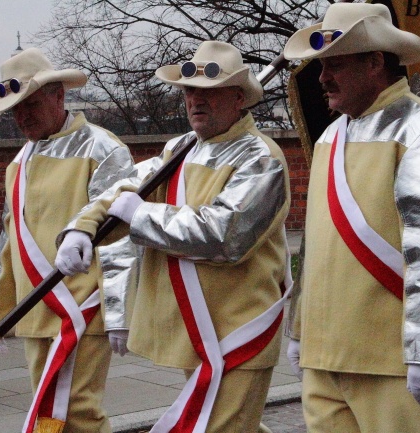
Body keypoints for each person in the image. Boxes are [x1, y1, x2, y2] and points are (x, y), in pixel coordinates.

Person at [55, 40, 292, 433]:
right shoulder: (180, 148)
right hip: (194, 324)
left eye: (208, 92)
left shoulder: (261, 157)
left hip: (238, 326)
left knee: (219, 425)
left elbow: (224, 234)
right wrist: (82, 226)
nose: (195, 100)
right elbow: (123, 188)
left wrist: (143, 215)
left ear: (238, 97)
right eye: (189, 91)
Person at [283, 3, 420, 432]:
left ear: (374, 63)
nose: (322, 78)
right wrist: (300, 328)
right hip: (325, 356)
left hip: (392, 361)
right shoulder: (332, 136)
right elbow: (316, 246)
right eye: (321, 65)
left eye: (335, 64)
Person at [0, 48, 137, 433]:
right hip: (35, 308)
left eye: (30, 104)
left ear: (58, 95)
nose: (22, 117)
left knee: (77, 411)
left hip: (83, 306)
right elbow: (10, 239)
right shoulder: (19, 161)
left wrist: (120, 308)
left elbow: (121, 233)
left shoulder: (102, 148)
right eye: (15, 109)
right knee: (50, 411)